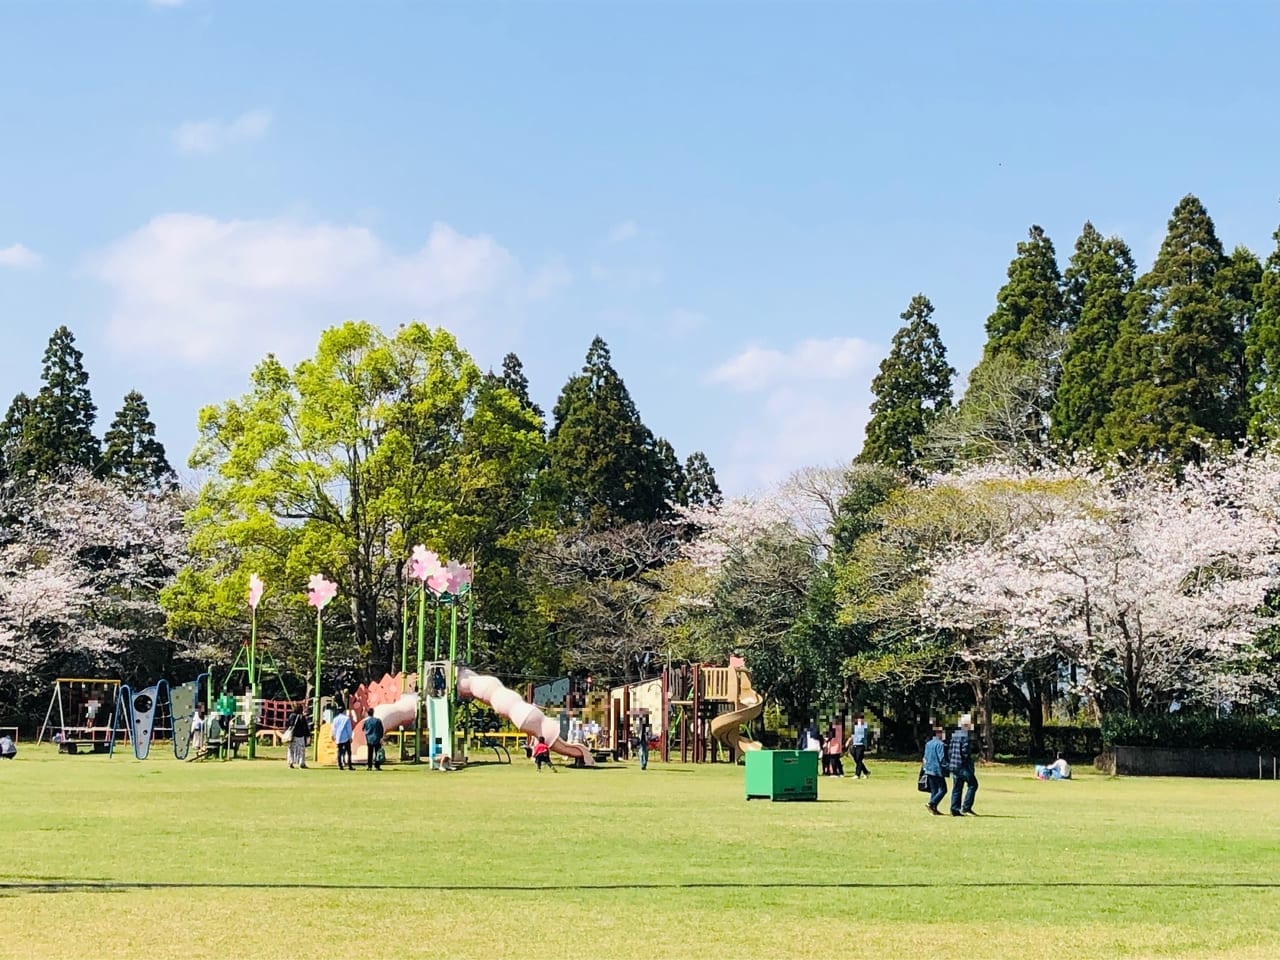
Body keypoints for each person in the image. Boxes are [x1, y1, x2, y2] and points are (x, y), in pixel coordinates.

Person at [949, 714, 979, 816]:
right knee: (973, 784)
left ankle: (954, 809)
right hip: (962, 765)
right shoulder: (965, 735)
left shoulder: (955, 734)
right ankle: (966, 807)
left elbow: (950, 750)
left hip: (953, 765)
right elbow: (965, 751)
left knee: (957, 787)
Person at [922, 726, 947, 814]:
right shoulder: (941, 744)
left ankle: (934, 809)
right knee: (943, 789)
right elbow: (942, 758)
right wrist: (947, 767)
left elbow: (925, 757)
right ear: (939, 734)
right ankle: (931, 803)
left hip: (928, 769)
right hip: (937, 770)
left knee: (934, 790)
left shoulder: (928, 744)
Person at [848, 714, 871, 779]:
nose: (860, 720)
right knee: (857, 760)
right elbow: (852, 735)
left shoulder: (864, 726)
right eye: (858, 718)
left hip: (861, 745)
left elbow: (865, 735)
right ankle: (866, 772)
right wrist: (849, 742)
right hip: (854, 744)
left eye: (861, 718)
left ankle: (857, 774)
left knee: (859, 759)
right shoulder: (854, 726)